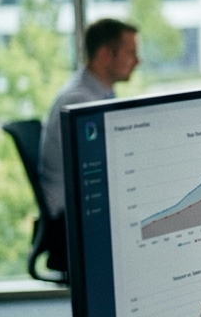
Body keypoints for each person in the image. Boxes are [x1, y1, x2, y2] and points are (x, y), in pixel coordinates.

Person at [38, 18, 140, 270]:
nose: (137, 61)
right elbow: (108, 166)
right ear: (105, 55)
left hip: (84, 210)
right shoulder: (80, 102)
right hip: (71, 224)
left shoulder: (96, 94)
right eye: (131, 53)